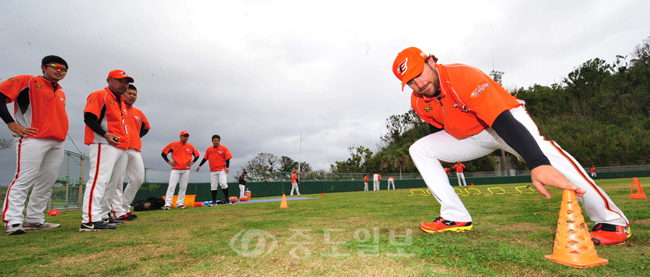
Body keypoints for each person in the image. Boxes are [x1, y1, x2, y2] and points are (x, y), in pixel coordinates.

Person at [392, 47, 629, 245]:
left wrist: (536, 162)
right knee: (420, 149)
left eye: (419, 74)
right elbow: (438, 129)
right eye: (410, 81)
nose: (418, 84)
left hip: (504, 120)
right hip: (470, 137)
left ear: (431, 61)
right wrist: (444, 157)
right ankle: (455, 217)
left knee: (548, 157)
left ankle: (612, 221)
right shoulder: (418, 101)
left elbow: (501, 121)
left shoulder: (463, 76)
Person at [1, 56, 69, 235]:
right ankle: (13, 221)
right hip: (33, 137)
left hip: (57, 140)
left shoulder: (61, 92)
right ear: (43, 67)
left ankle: (34, 219)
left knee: (46, 181)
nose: (59, 70)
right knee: (24, 178)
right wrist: (10, 123)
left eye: (63, 69)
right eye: (55, 66)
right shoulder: (27, 81)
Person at [80, 70, 134, 232]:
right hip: (103, 143)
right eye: (120, 81)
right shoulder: (100, 95)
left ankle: (103, 214)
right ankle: (89, 219)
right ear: (109, 80)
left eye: (126, 82)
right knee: (99, 179)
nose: (124, 85)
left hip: (120, 146)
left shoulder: (121, 102)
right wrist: (105, 134)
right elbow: (89, 118)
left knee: (114, 183)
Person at [110, 84, 150, 221]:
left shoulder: (139, 113)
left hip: (135, 149)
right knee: (118, 180)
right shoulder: (117, 107)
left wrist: (135, 137)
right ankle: (117, 210)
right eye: (129, 93)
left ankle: (124, 207)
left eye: (134, 94)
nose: (132, 96)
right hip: (121, 148)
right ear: (122, 94)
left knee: (138, 179)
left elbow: (146, 127)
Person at [162, 131, 200, 209]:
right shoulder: (173, 144)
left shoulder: (190, 146)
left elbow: (197, 155)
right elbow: (163, 153)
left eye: (187, 136)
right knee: (172, 186)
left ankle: (180, 203)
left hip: (186, 169)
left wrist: (192, 162)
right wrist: (169, 162)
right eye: (184, 136)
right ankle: (167, 204)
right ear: (180, 136)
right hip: (175, 169)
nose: (185, 137)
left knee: (183, 187)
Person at [196, 135, 232, 206]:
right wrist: (200, 165)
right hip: (213, 170)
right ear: (212, 141)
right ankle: (214, 202)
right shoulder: (209, 149)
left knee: (223, 183)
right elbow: (205, 158)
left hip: (222, 169)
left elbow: (228, 158)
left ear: (219, 141)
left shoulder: (224, 148)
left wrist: (227, 167)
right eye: (214, 140)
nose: (216, 142)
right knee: (213, 185)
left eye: (217, 140)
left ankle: (227, 199)